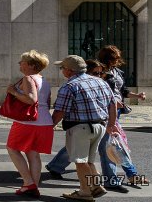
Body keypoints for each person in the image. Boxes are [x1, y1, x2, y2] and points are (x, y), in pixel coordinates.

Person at [52, 54, 118, 201]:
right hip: (99, 126)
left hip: (79, 128)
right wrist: (111, 125)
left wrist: (50, 126)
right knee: (88, 161)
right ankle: (95, 186)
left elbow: (60, 111)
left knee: (80, 161)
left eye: (62, 68)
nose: (62, 71)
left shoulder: (70, 86)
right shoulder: (101, 82)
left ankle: (85, 192)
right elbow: (112, 104)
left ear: (69, 70)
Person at [95, 45, 145, 189]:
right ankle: (131, 175)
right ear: (107, 58)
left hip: (116, 111)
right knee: (114, 144)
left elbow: (122, 91)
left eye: (118, 58)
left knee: (108, 143)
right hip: (105, 110)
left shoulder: (117, 72)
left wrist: (137, 96)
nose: (117, 60)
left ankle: (57, 164)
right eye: (114, 58)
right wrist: (112, 102)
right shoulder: (100, 72)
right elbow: (100, 92)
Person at [5, 50, 53, 198]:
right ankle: (33, 187)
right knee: (33, 154)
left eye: (22, 61)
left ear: (31, 65)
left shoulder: (28, 78)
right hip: (45, 121)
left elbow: (31, 100)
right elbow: (48, 102)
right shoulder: (44, 80)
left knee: (12, 148)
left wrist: (13, 92)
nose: (20, 63)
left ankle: (28, 182)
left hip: (28, 122)